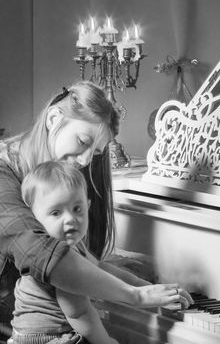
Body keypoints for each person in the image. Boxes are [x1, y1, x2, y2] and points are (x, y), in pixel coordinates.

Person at [0, 80, 193, 343]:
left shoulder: (61, 178)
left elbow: (89, 262)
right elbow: (39, 252)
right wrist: (135, 295)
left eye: (96, 152)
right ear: (54, 118)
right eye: (82, 141)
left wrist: (144, 285)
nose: (85, 160)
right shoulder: (3, 172)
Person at [11, 160, 118, 344]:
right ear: (32, 218)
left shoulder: (75, 244)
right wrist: (106, 342)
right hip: (48, 338)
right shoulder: (58, 259)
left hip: (29, 334)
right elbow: (79, 313)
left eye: (77, 209)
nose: (70, 219)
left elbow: (99, 268)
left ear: (88, 206)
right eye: (55, 213)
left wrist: (139, 285)